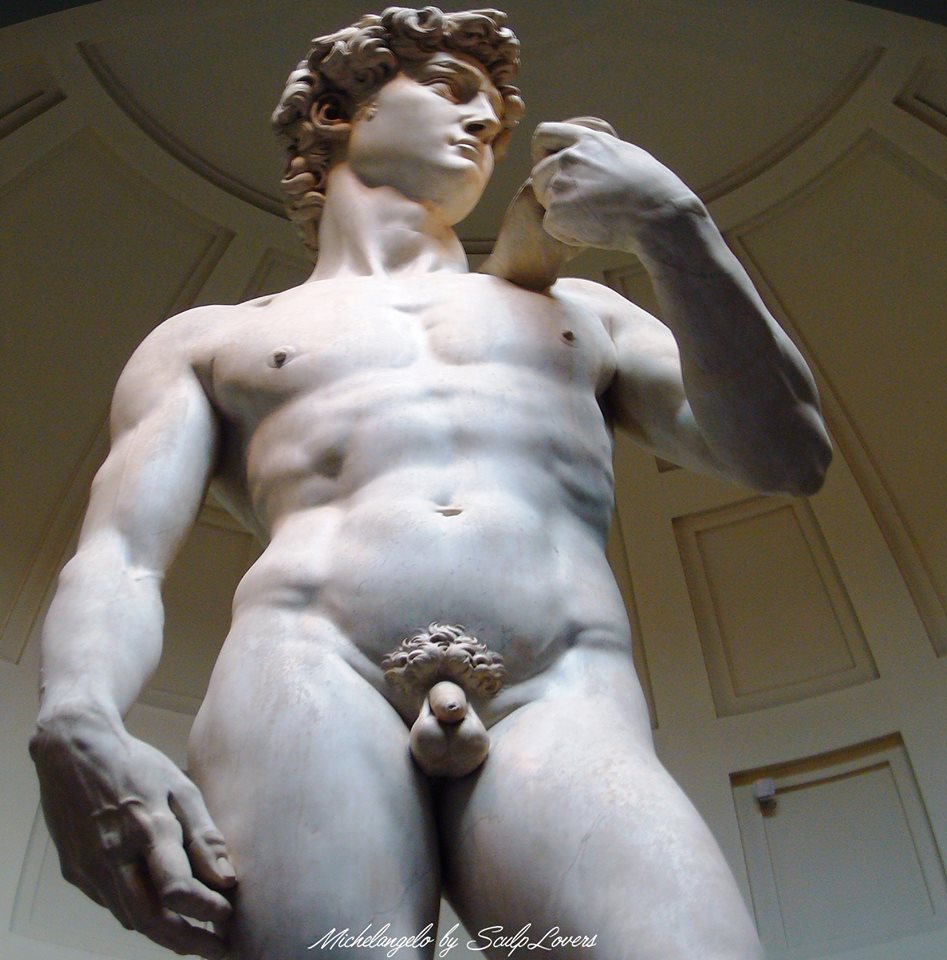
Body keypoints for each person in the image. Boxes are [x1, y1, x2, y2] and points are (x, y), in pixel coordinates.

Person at [29, 7, 831, 960]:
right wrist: (76, 713)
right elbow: (120, 554)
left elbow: (787, 454)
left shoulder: (583, 311)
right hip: (309, 668)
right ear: (338, 112)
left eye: (496, 116)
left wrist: (674, 224)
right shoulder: (215, 337)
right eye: (452, 90)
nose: (484, 122)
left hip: (562, 686)